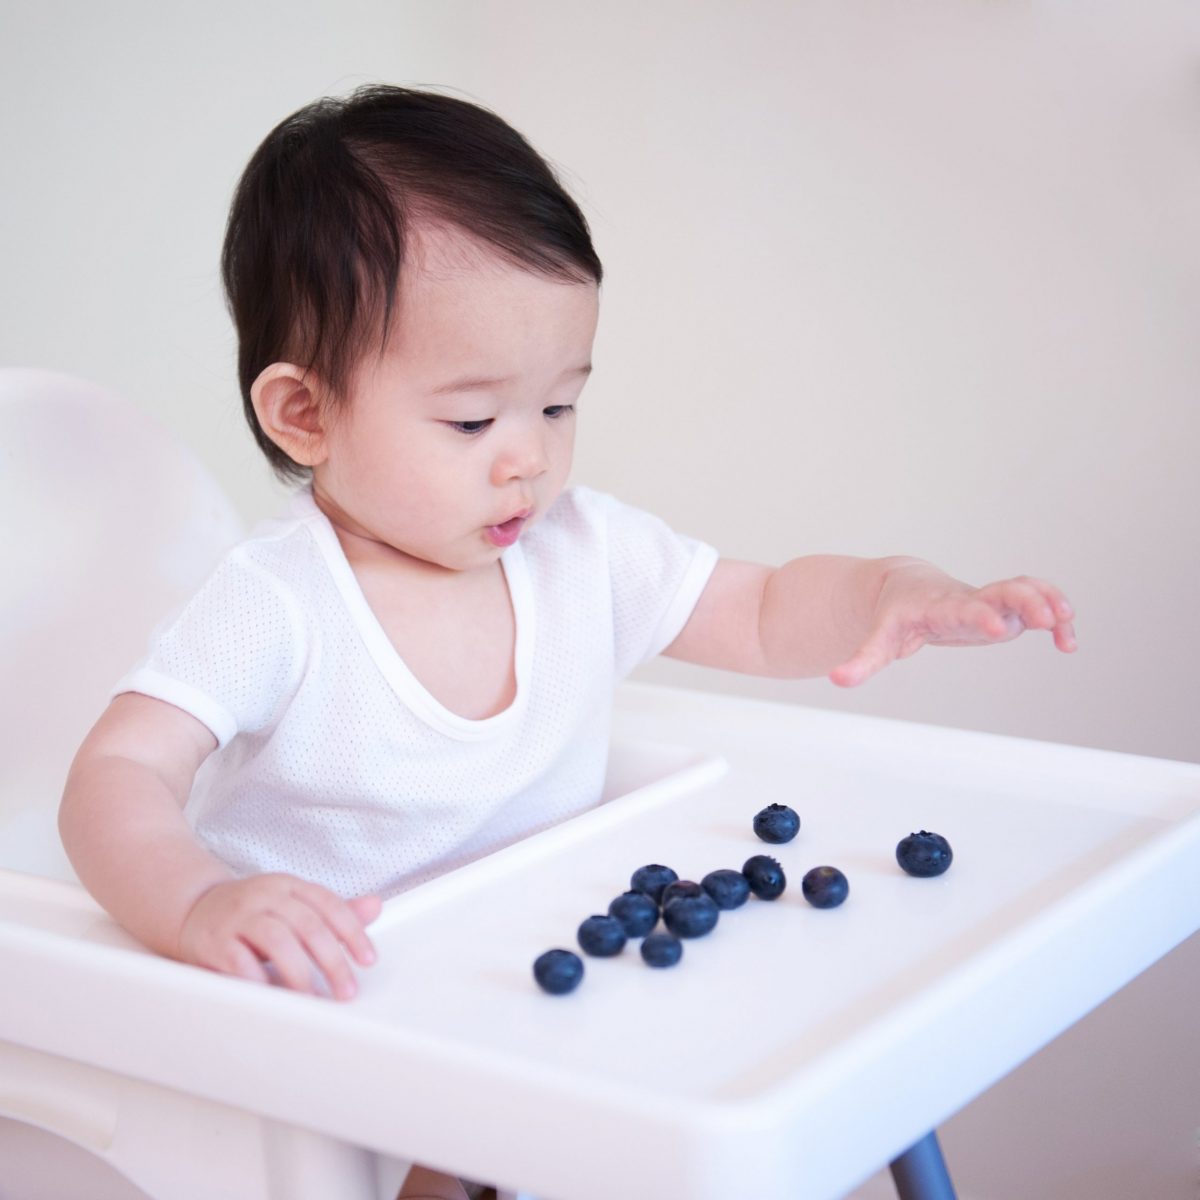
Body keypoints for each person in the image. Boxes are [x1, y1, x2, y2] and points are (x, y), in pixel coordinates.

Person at [58, 85, 1076, 1200]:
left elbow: (761, 603)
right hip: (326, 1037)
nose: (527, 462)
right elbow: (117, 775)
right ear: (305, 415)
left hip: (531, 1004)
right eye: (471, 420)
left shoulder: (577, 551)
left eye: (558, 408)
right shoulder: (279, 600)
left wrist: (889, 588)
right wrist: (198, 900)